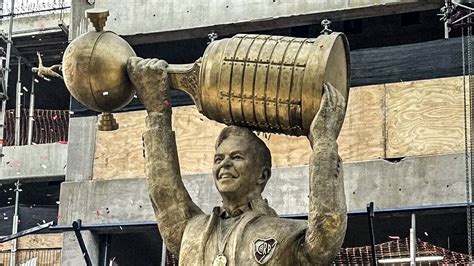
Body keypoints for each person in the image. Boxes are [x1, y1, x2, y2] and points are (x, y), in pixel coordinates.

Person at [127, 57, 347, 265]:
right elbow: (164, 193)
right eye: (218, 159)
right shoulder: (192, 231)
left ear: (262, 175)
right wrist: (157, 114)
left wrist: (324, 143)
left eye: (236, 157)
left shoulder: (286, 235)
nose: (224, 164)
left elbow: (325, 237)